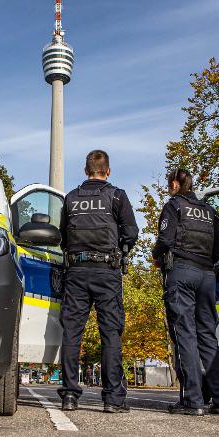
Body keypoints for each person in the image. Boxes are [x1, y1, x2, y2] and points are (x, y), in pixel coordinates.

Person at [57, 149, 139, 413]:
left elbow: (63, 238)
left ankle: (69, 395)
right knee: (110, 333)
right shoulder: (117, 196)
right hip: (107, 271)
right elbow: (131, 233)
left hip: (76, 272)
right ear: (108, 171)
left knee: (72, 332)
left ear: (85, 171)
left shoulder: (70, 198)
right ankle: (113, 399)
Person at [152, 168, 219, 416]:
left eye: (169, 184)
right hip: (207, 276)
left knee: (184, 334)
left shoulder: (173, 206)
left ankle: (193, 400)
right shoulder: (210, 211)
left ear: (175, 183)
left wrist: (156, 257)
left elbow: (165, 240)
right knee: (208, 336)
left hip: (182, 273)